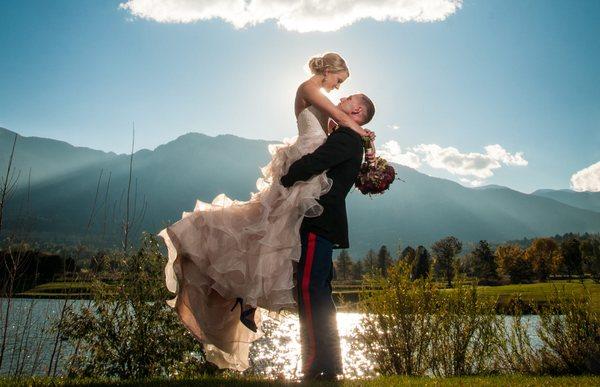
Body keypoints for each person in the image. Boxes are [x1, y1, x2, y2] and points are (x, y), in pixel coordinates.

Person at [157, 52, 376, 371]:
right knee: (275, 246)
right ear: (330, 71)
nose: (340, 89)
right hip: (309, 200)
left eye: (346, 88)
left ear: (356, 110)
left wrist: (293, 174)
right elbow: (336, 129)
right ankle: (308, 353)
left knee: (303, 280)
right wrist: (366, 139)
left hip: (315, 208)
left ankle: (317, 362)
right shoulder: (316, 98)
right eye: (340, 81)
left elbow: (324, 154)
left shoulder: (343, 132)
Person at [280, 92, 373, 381]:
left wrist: (285, 177)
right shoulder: (348, 137)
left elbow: (316, 162)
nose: (342, 97)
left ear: (356, 110)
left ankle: (315, 362)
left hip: (319, 220)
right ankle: (329, 363)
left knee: (309, 289)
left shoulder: (346, 138)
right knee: (318, 291)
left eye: (349, 98)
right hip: (325, 222)